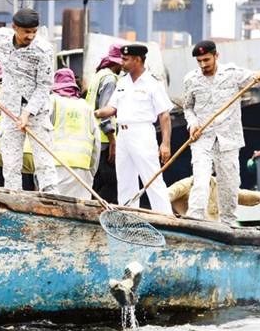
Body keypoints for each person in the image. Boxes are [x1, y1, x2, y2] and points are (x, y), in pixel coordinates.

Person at [183, 40, 260, 225]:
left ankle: (228, 223)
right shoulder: (191, 79)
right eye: (199, 61)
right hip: (202, 138)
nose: (203, 65)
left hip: (228, 139)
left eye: (206, 60)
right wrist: (192, 124)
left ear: (216, 55)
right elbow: (188, 107)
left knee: (229, 185)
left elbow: (257, 78)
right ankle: (194, 220)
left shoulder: (232, 75)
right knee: (200, 180)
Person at [0, 8, 58, 193]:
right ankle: (14, 198)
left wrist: (28, 113)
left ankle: (52, 197)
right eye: (27, 32)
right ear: (15, 27)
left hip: (36, 111)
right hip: (10, 110)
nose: (31, 36)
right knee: (11, 163)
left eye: (34, 32)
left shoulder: (44, 50)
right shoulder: (1, 38)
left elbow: (45, 85)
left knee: (44, 162)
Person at [95, 44, 173, 212]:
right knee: (125, 179)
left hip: (142, 133)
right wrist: (96, 112)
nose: (121, 62)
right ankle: (127, 215)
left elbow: (164, 115)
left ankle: (165, 216)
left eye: (125, 59)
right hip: (122, 134)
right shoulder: (122, 82)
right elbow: (111, 108)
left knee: (152, 178)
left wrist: (165, 143)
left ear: (138, 60)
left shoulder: (153, 83)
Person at [50, 68, 100, 199]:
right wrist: (91, 172)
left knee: (55, 209)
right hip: (82, 170)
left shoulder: (53, 101)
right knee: (80, 213)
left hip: (56, 168)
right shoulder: (87, 107)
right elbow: (97, 144)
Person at [85, 43, 123, 203]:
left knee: (97, 181)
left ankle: (93, 208)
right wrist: (113, 140)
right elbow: (105, 111)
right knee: (113, 183)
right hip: (105, 140)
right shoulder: (110, 80)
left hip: (92, 135)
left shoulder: (98, 75)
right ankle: (101, 212)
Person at [168, 175, 260, 220]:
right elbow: (165, 195)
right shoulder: (186, 184)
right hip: (190, 228)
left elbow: (241, 195)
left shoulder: (217, 184)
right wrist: (171, 215)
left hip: (214, 229)